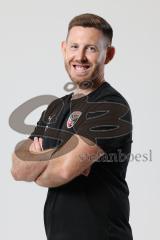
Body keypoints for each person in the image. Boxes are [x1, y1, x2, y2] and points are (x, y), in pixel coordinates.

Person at [11, 13, 133, 240]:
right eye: (75, 46)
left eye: (91, 48)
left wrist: (39, 160)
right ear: (64, 49)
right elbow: (18, 168)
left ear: (109, 54)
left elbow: (63, 171)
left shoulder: (110, 107)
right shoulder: (55, 108)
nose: (80, 56)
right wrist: (60, 157)